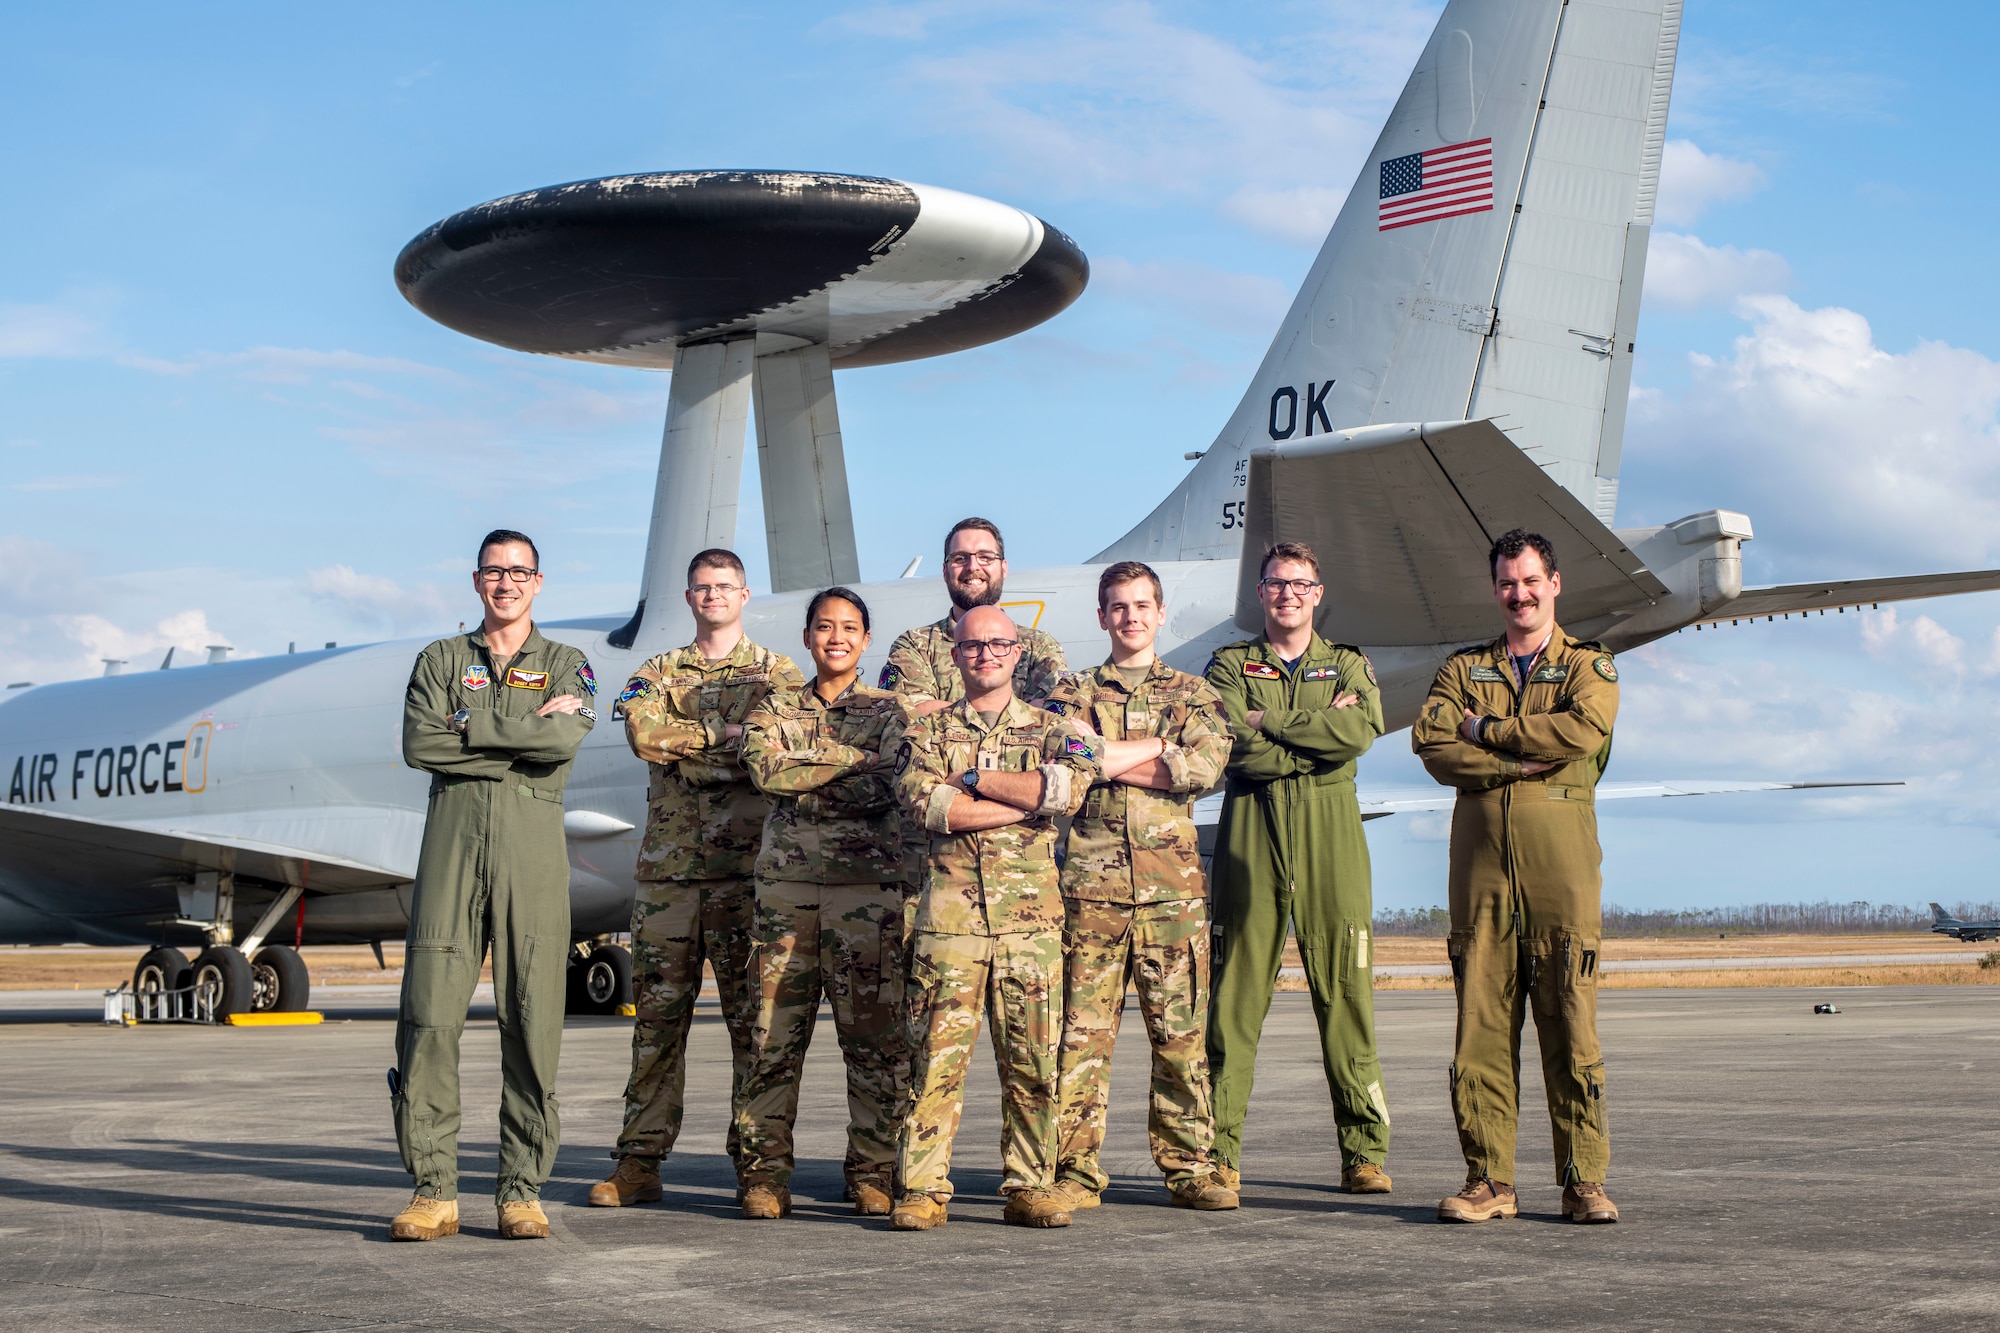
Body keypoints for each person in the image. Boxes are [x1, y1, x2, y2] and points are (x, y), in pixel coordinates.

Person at [887, 604, 1143, 1232]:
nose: (986, 656)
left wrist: (975, 779)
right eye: (973, 647)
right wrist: (1026, 805)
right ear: (954, 656)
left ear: (1017, 654)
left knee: (1032, 1064)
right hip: (948, 924)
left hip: (1029, 926)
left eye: (999, 646)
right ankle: (922, 1190)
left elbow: (1070, 791)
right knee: (933, 1066)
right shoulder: (920, 733)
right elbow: (930, 806)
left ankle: (1030, 1184)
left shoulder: (1061, 729)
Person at [389, 529, 596, 1242]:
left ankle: (520, 1188)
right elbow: (421, 744)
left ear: (539, 581)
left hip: (531, 852)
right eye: (493, 571)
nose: (505, 582)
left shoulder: (568, 662)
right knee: (428, 1017)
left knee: (533, 1018)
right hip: (451, 848)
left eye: (519, 571)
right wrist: (518, 732)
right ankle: (433, 1188)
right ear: (476, 580)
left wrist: (469, 727)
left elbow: (563, 741)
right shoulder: (440, 659)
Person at [1412, 529, 1621, 1225]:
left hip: (1560, 870)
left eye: (1530, 580)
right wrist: (1513, 763)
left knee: (1570, 1018)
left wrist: (1487, 731)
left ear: (1554, 583)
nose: (1519, 593)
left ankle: (1583, 1180)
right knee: (1481, 1026)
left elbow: (1580, 732)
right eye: (1507, 582)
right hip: (1480, 876)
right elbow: (1432, 744)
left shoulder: (1591, 668)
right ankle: (1488, 1179)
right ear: (1494, 588)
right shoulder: (1462, 668)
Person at [589, 549, 805, 1208]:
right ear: (688, 597)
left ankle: (761, 1168)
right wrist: (732, 739)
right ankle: (639, 1160)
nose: (713, 595)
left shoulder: (779, 672)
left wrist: (701, 742)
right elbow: (645, 736)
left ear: (744, 595)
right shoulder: (656, 669)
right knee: (657, 1024)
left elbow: (778, 746)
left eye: (724, 586)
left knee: (754, 1028)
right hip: (671, 879)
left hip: (748, 877)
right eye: (702, 587)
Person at [1045, 562, 1237, 1212]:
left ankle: (1190, 1168)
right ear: (1102, 616)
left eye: (1140, 605)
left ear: (1159, 613)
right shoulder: (1071, 694)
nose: (1129, 616)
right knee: (1079, 1040)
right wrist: (1155, 747)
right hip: (1090, 896)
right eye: (1117, 606)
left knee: (1180, 1037)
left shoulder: (1194, 692)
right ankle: (1073, 1170)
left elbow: (1204, 764)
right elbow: (1067, 764)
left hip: (1170, 896)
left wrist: (1108, 755)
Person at [1203, 540, 1392, 1196]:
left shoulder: (1347, 664)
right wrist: (1311, 733)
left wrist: (1269, 721)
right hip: (1252, 825)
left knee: (1345, 992)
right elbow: (1233, 747)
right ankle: (1219, 1152)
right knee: (1232, 1000)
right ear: (1261, 592)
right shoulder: (1229, 665)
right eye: (1276, 583)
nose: (1287, 593)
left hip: (1330, 828)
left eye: (1300, 584)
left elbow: (1359, 734)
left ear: (1317, 593)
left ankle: (1364, 1152)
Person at [733, 587, 911, 1219]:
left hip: (869, 895)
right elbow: (767, 774)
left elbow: (891, 782)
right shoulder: (772, 707)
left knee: (874, 1040)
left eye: (850, 628)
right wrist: (850, 761)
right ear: (807, 636)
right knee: (772, 1038)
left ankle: (872, 1171)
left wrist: (811, 767)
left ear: (866, 641)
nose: (837, 637)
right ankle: (764, 1176)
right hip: (788, 894)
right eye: (824, 626)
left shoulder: (894, 712)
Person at [878, 517, 1067, 716]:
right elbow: (909, 711)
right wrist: (1018, 714)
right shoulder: (915, 645)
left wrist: (942, 710)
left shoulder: (1039, 646)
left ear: (1004, 568)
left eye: (985, 557)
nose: (973, 567)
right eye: (960, 558)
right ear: (945, 571)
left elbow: (1054, 713)